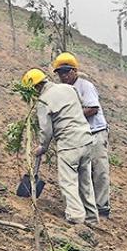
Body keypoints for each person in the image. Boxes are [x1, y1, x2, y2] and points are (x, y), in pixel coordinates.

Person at [21, 68, 99, 225]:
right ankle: (91, 217)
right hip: (86, 138)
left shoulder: (43, 101)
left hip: (69, 143)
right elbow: (79, 106)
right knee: (85, 181)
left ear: (36, 87)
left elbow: (46, 130)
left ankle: (76, 217)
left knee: (68, 181)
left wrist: (42, 146)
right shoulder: (68, 88)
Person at [52, 53, 111, 218]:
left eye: (66, 72)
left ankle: (102, 207)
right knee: (82, 172)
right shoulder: (64, 90)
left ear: (74, 71)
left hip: (95, 132)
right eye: (60, 73)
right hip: (79, 136)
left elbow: (93, 108)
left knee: (99, 170)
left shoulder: (85, 86)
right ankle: (85, 206)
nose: (63, 76)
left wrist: (71, 116)